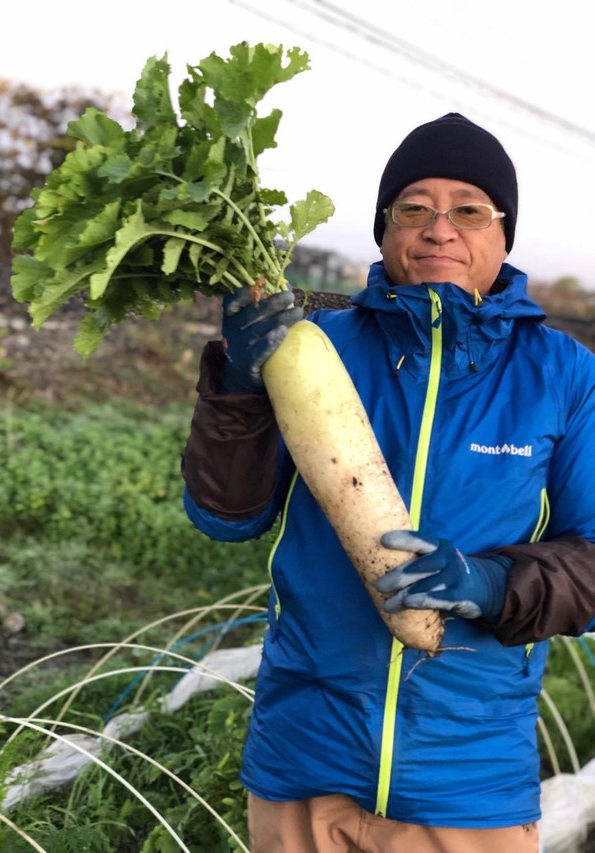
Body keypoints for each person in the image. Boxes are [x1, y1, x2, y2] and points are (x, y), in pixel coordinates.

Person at [181, 112, 595, 853]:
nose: (440, 229)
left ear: (504, 234)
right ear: (384, 230)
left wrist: (493, 583)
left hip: (466, 779)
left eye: (469, 209)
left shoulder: (565, 375)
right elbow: (225, 515)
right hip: (306, 760)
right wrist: (241, 392)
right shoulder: (316, 347)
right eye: (414, 208)